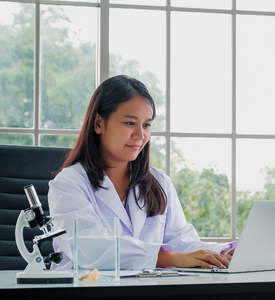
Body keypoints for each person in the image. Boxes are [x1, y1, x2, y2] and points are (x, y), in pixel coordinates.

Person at [48, 75, 235, 270]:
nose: (140, 135)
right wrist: (166, 258)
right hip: (88, 294)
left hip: (146, 293)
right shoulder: (69, 184)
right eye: (130, 123)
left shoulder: (159, 182)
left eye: (146, 125)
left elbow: (182, 242)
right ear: (98, 123)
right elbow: (91, 250)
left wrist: (224, 252)